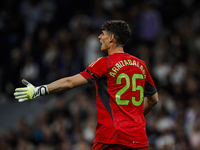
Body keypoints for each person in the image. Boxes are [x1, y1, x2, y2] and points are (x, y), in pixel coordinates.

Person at [14, 20, 158, 150]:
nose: (99, 37)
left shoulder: (104, 63)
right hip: (138, 139)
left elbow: (69, 82)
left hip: (112, 138)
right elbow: (153, 99)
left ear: (111, 38)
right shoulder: (141, 65)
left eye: (103, 34)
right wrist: (134, 117)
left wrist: (39, 90)